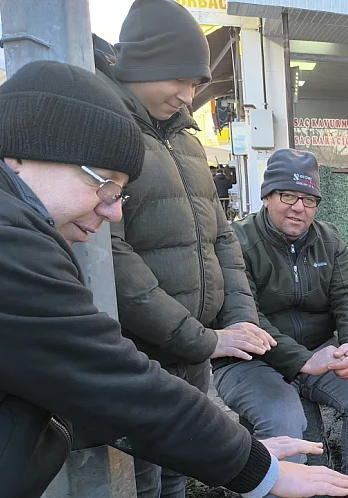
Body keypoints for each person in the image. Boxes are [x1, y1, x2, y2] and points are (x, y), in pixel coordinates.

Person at [0, 60, 348, 498]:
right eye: (104, 185)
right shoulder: (11, 246)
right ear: (19, 154)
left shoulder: (22, 231)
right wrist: (254, 464)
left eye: (120, 194)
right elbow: (113, 381)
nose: (114, 212)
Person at [93, 1, 276, 495]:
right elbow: (110, 254)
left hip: (192, 350)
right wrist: (200, 337)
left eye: (197, 83)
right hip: (136, 349)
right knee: (137, 478)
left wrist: (239, 320)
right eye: (180, 79)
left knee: (178, 470)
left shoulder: (189, 142)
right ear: (143, 62)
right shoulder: (106, 127)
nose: (188, 95)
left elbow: (221, 237)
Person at [213, 149, 348, 478]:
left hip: (318, 349)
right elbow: (242, 315)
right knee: (283, 416)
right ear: (267, 197)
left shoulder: (329, 238)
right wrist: (301, 361)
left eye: (308, 199)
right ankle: (284, 486)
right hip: (249, 359)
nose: (298, 207)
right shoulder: (235, 240)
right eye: (288, 195)